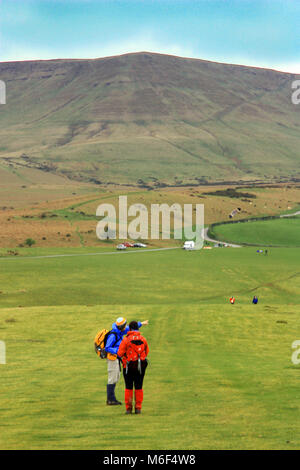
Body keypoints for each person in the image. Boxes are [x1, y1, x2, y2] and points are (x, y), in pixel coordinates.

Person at [105, 317, 148, 405]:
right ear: (121, 327)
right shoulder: (113, 335)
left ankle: (111, 399)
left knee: (116, 377)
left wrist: (141, 323)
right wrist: (119, 351)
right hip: (113, 358)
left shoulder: (120, 330)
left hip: (117, 358)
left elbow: (131, 328)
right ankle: (110, 399)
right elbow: (107, 347)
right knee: (113, 378)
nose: (125, 328)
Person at [118, 321, 149, 415]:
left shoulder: (126, 340)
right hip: (141, 366)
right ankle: (138, 408)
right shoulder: (143, 339)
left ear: (130, 329)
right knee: (139, 387)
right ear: (138, 328)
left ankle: (128, 408)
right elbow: (146, 351)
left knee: (128, 387)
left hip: (128, 366)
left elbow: (119, 353)